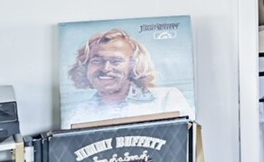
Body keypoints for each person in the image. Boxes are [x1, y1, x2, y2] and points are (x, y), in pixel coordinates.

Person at [62, 27, 190, 126]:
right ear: (85, 66)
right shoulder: (78, 114)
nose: (106, 68)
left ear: (134, 66)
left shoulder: (166, 99)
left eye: (116, 61)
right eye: (97, 60)